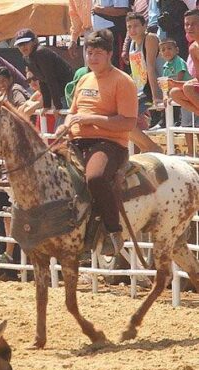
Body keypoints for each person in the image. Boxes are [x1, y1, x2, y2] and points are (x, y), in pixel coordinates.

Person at [59, 29, 138, 255]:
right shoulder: (84, 78)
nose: (92, 58)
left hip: (108, 144)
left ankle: (113, 231)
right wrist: (65, 125)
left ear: (110, 54)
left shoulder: (123, 81)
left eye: (98, 53)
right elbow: (72, 111)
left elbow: (128, 123)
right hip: (76, 140)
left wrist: (90, 119)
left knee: (95, 177)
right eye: (89, 52)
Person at [125, 12, 165, 152]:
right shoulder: (132, 44)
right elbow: (136, 72)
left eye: (136, 26)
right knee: (121, 120)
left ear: (145, 26)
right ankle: (145, 148)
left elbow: (151, 67)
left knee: (124, 120)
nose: (132, 30)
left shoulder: (150, 38)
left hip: (156, 88)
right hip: (141, 90)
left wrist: (156, 96)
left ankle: (153, 148)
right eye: (129, 27)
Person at [14, 28, 73, 111]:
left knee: (63, 123)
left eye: (25, 43)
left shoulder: (41, 53)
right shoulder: (26, 58)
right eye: (20, 45)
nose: (23, 47)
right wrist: (47, 105)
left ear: (34, 41)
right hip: (59, 96)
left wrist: (57, 107)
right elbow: (42, 80)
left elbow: (51, 79)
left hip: (68, 94)